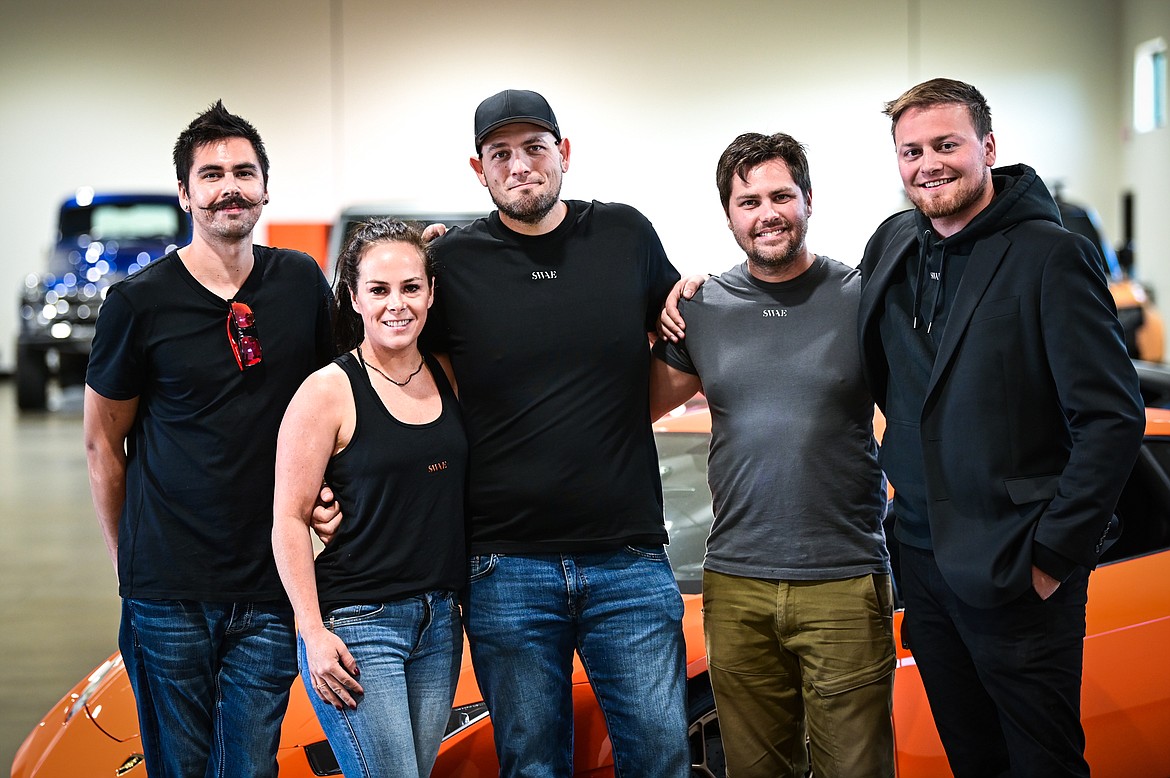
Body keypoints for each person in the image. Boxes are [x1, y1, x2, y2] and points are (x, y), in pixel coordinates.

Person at [857, 78, 1145, 777]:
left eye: (946, 145)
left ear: (987, 147)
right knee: (971, 758)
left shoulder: (1051, 254)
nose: (929, 164)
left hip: (1018, 569)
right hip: (921, 565)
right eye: (911, 150)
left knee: (1041, 763)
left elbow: (1112, 419)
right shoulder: (894, 241)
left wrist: (1052, 558)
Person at [422, 88, 690, 777]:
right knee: (532, 765)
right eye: (500, 154)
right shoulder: (451, 265)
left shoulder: (626, 235)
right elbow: (406, 380)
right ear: (478, 169)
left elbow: (681, 329)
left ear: (563, 154)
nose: (520, 166)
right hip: (505, 566)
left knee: (659, 758)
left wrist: (694, 292)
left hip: (627, 559)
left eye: (535, 148)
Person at [83, 100, 333, 777]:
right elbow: (104, 445)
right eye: (212, 173)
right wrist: (126, 564)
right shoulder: (138, 304)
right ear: (186, 194)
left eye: (245, 172)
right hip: (168, 593)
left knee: (251, 768)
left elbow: (338, 402)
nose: (230, 186)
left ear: (265, 188)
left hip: (269, 586)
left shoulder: (301, 283)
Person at [649, 132, 894, 778]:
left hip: (844, 581)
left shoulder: (861, 297)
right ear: (729, 215)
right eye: (748, 201)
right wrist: (653, 309)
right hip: (734, 586)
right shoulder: (702, 309)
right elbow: (627, 412)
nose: (767, 213)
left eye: (781, 195)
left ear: (808, 199)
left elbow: (930, 415)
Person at [272, 219, 466, 778]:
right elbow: (287, 518)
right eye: (378, 290)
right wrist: (312, 632)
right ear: (354, 297)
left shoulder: (447, 375)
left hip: (438, 624)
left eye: (410, 287)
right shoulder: (327, 391)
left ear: (431, 292)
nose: (396, 305)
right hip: (359, 624)